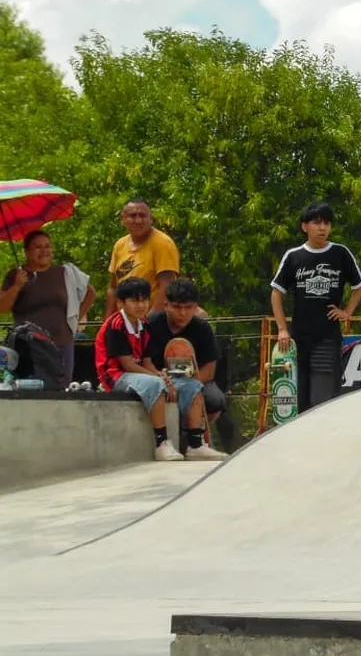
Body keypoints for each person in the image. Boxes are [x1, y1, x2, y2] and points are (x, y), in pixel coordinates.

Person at [94, 277, 225, 462]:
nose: (140, 305)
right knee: (156, 384)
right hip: (116, 375)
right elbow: (128, 364)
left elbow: (147, 361)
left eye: (144, 300)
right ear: (120, 303)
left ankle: (196, 444)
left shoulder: (144, 325)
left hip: (141, 373)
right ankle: (161, 443)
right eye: (134, 301)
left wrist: (162, 376)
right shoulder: (116, 325)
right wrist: (160, 379)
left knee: (191, 385)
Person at [270, 202, 361, 413]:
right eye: (316, 223)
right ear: (305, 226)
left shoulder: (340, 253)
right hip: (298, 339)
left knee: (322, 400)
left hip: (327, 338)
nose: (322, 228)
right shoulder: (294, 256)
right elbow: (276, 293)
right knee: (300, 399)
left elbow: (360, 285)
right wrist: (282, 329)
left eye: (326, 223)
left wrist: (347, 312)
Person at [146, 278, 243, 453]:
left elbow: (210, 369)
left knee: (215, 400)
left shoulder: (202, 328)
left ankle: (196, 434)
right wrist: (161, 379)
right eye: (177, 307)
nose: (183, 313)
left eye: (188, 307)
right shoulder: (152, 324)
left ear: (196, 307)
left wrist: (189, 386)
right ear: (166, 305)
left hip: (196, 379)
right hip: (159, 379)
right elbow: (144, 360)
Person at [0, 230, 95, 382]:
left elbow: (90, 293)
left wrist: (75, 320)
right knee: (27, 390)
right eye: (38, 247)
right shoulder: (15, 275)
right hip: (27, 347)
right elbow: (3, 308)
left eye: (47, 246)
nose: (44, 251)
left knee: (60, 389)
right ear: (26, 251)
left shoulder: (64, 273)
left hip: (61, 343)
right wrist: (17, 286)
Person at [105, 197, 180, 316]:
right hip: (125, 320)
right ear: (123, 219)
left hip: (151, 319)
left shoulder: (163, 243)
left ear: (151, 219)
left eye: (143, 216)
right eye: (132, 216)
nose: (138, 220)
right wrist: (108, 321)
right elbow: (113, 288)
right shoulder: (119, 245)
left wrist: (149, 320)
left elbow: (167, 286)